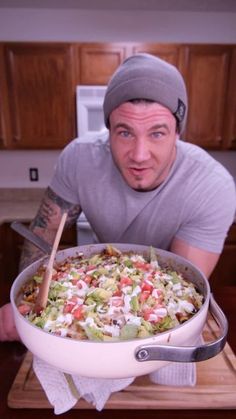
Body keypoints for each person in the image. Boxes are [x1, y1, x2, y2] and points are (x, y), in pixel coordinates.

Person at [1, 53, 235, 342]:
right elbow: (43, 235)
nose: (139, 155)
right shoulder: (78, 159)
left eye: (157, 133)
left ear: (178, 133)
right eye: (124, 132)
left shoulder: (211, 186)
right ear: (108, 130)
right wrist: (31, 303)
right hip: (92, 297)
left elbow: (180, 288)